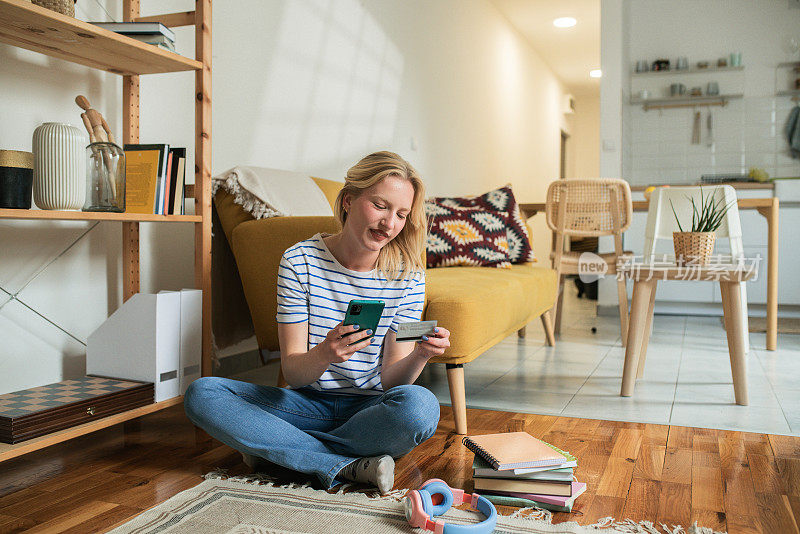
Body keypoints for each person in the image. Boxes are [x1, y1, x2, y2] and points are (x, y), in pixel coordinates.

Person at [184, 151, 449, 494]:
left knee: (420, 407)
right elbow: (293, 373)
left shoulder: (408, 276)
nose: (389, 224)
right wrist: (325, 353)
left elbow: (389, 382)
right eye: (381, 206)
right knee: (202, 394)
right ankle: (345, 464)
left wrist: (421, 355)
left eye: (401, 214)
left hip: (370, 410)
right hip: (305, 405)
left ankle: (283, 451)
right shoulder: (300, 261)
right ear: (349, 200)